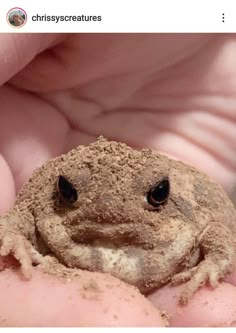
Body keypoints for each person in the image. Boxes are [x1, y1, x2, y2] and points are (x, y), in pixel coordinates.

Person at [0, 33, 235, 327]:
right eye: (69, 190)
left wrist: (215, 263)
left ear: (162, 191)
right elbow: (17, 218)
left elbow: (216, 231)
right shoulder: (49, 196)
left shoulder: (183, 200)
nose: (110, 209)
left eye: (156, 194)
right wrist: (12, 238)